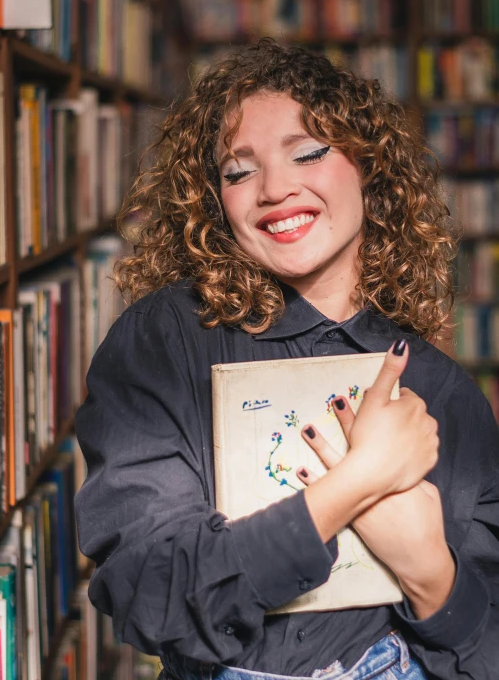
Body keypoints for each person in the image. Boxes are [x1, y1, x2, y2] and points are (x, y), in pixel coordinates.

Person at [74, 38, 499, 680]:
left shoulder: (443, 393)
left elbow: (486, 646)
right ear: (215, 201)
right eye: (238, 170)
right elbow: (151, 598)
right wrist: (355, 486)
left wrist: (432, 574)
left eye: (308, 152)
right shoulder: (165, 343)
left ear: (368, 168)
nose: (274, 188)